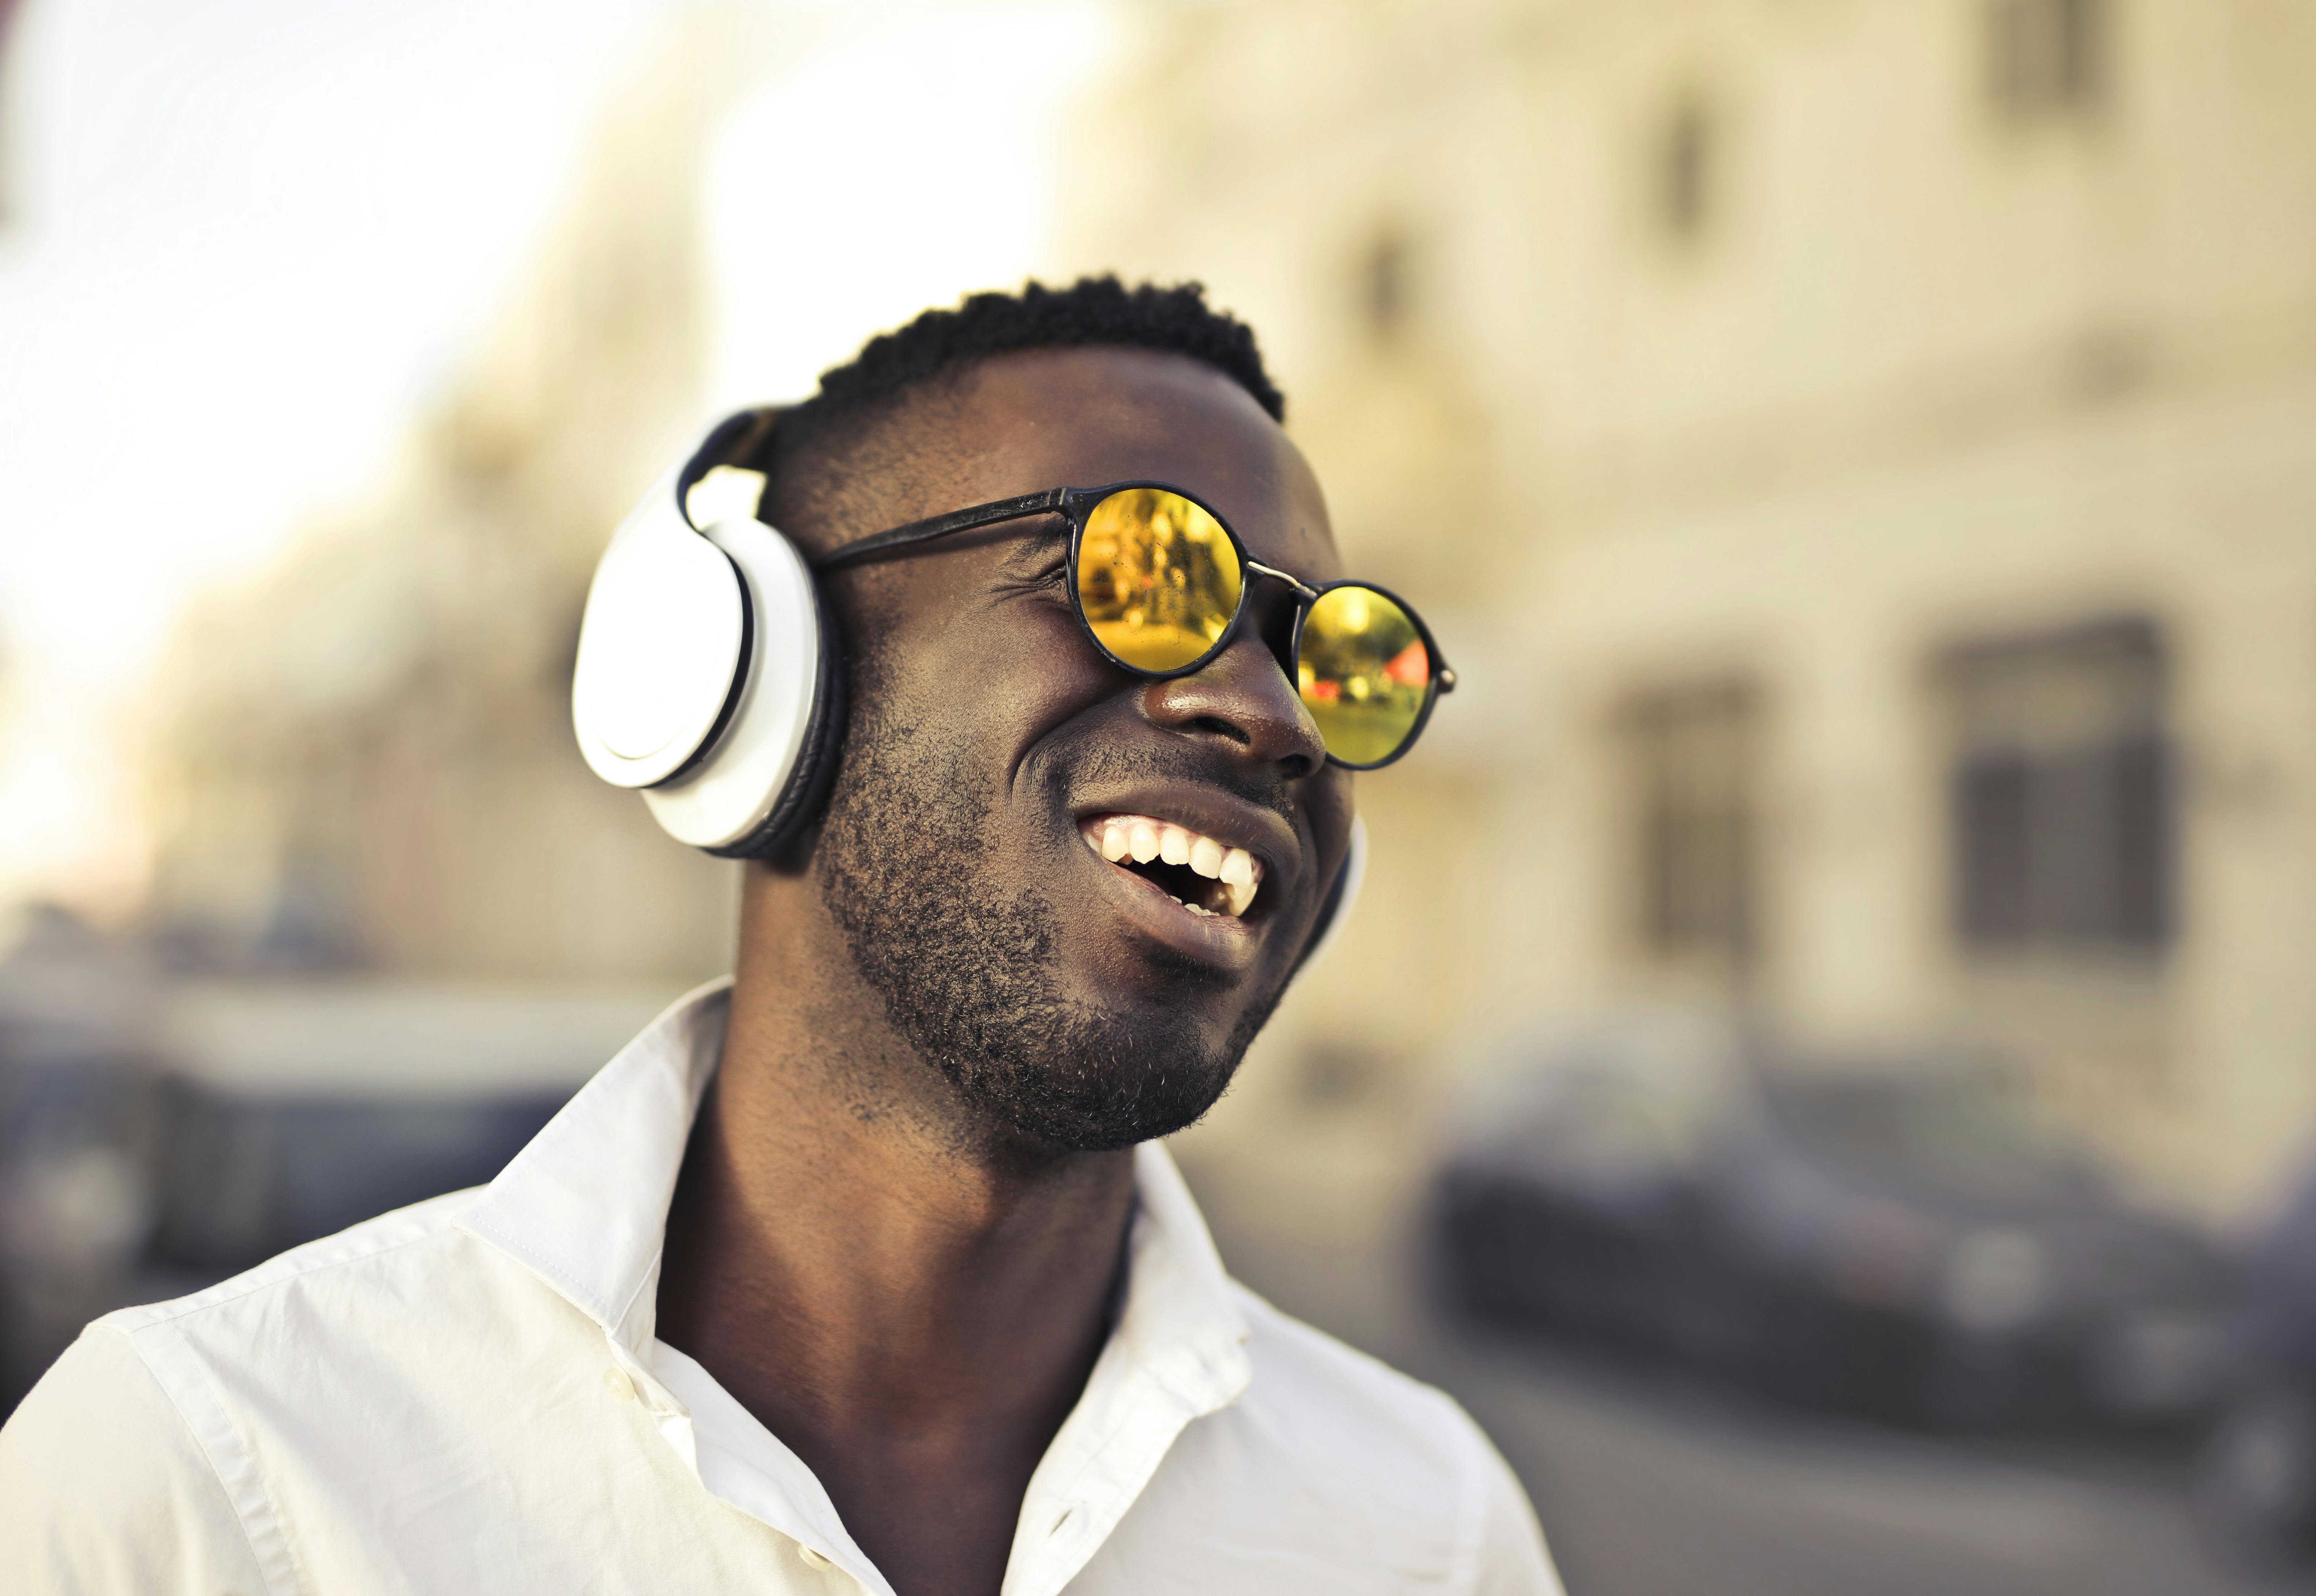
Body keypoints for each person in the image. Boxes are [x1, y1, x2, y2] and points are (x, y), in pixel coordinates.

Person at [0, 278, 1561, 1594]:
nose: (1274, 713)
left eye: (1339, 655)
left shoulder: (1430, 1529)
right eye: (1143, 574)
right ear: (752, 679)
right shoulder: (203, 1490)